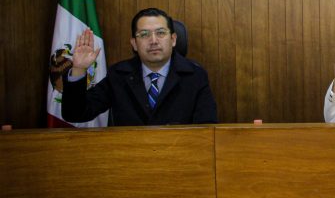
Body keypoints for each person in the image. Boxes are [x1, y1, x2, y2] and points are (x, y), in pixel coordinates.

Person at [62, 8, 218, 125]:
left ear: (173, 39)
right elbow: (75, 114)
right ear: (134, 44)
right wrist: (79, 69)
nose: (154, 41)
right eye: (144, 34)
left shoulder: (195, 76)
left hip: (179, 155)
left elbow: (207, 127)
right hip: (130, 155)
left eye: (161, 33)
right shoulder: (119, 75)